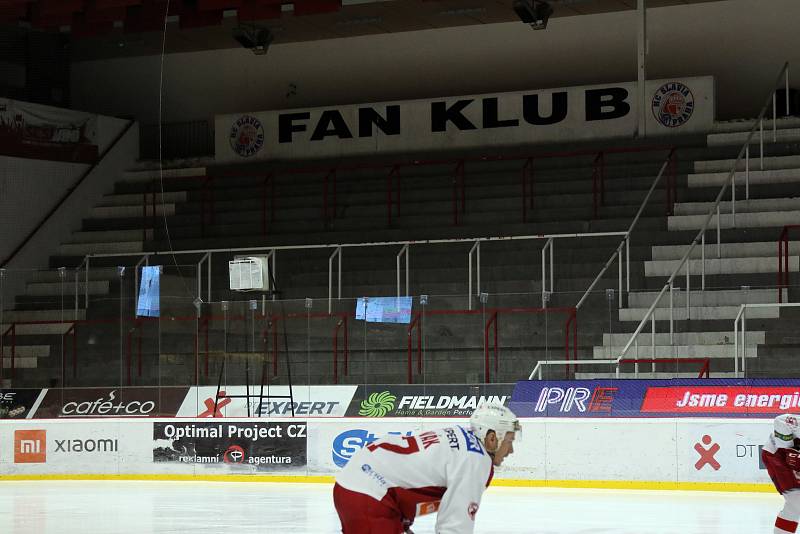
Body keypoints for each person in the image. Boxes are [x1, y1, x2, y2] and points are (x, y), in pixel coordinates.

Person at [333, 403, 520, 534]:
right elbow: (455, 526)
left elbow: (411, 472)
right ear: (492, 438)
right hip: (368, 495)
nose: (510, 450)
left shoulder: (461, 435)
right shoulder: (476, 460)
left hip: (360, 484)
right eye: (509, 440)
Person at [763, 413, 800, 534]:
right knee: (796, 500)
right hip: (776, 456)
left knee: (795, 504)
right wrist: (787, 449)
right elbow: (780, 420)